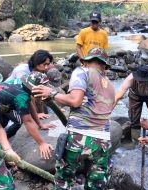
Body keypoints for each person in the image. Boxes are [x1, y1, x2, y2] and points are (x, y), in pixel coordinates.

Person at [32, 48, 115, 190]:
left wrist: (50, 93)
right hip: (102, 141)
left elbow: (75, 101)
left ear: (86, 61)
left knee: (64, 180)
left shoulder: (82, 71)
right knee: (96, 184)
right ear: (104, 66)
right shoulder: (110, 85)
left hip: (79, 137)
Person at [0, 72, 55, 159]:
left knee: (2, 124)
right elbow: (28, 121)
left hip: (1, 103)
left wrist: (40, 124)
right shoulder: (21, 96)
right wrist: (41, 143)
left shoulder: (20, 83)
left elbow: (29, 102)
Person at [6, 49, 54, 120]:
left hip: (22, 95)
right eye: (44, 64)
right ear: (37, 61)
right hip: (10, 95)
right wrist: (36, 114)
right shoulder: (22, 70)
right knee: (18, 122)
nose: (46, 67)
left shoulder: (40, 71)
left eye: (48, 64)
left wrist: (54, 109)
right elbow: (26, 92)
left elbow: (42, 90)